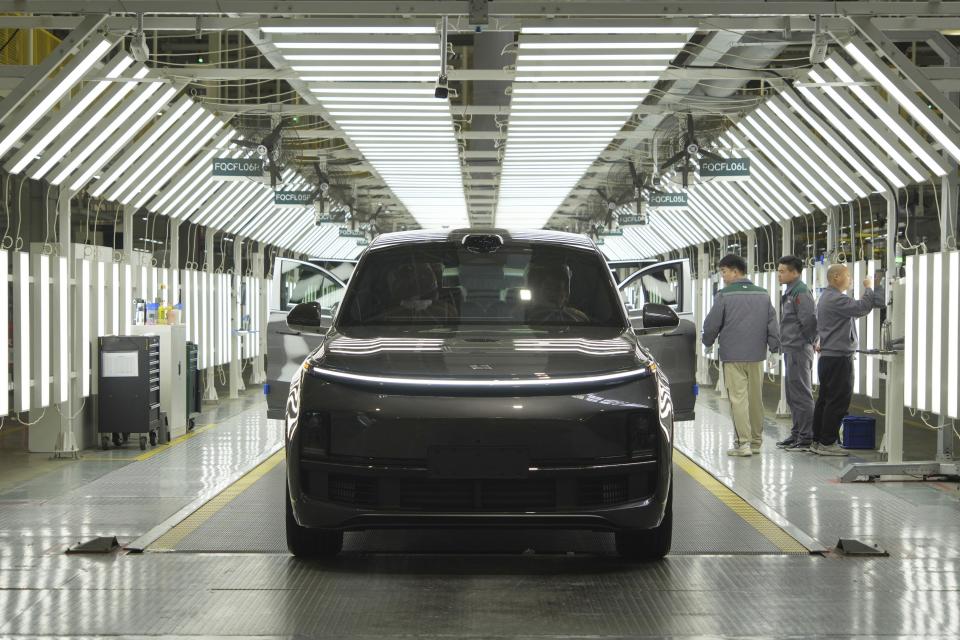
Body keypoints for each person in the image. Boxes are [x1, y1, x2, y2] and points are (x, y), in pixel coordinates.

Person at [702, 254, 781, 457]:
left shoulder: (724, 295)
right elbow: (772, 323)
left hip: (733, 357)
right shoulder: (763, 294)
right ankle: (756, 441)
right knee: (756, 399)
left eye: (724, 272)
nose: (723, 277)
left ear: (735, 271)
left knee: (738, 399)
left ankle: (742, 443)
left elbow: (712, 324)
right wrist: (774, 349)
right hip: (756, 356)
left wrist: (707, 342)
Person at [810, 264, 878, 456]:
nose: (850, 280)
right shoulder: (836, 298)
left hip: (829, 357)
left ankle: (818, 440)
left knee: (825, 399)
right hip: (839, 358)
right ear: (836, 277)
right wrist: (869, 287)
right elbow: (862, 308)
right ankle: (827, 442)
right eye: (848, 276)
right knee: (837, 401)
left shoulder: (826, 297)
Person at [775, 256, 818, 451]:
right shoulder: (790, 292)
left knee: (801, 394)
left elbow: (809, 320)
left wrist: (806, 342)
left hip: (799, 349)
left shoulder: (800, 292)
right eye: (779, 270)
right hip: (791, 348)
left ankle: (806, 437)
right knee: (793, 395)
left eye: (782, 271)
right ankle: (797, 433)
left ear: (794, 272)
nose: (779, 274)